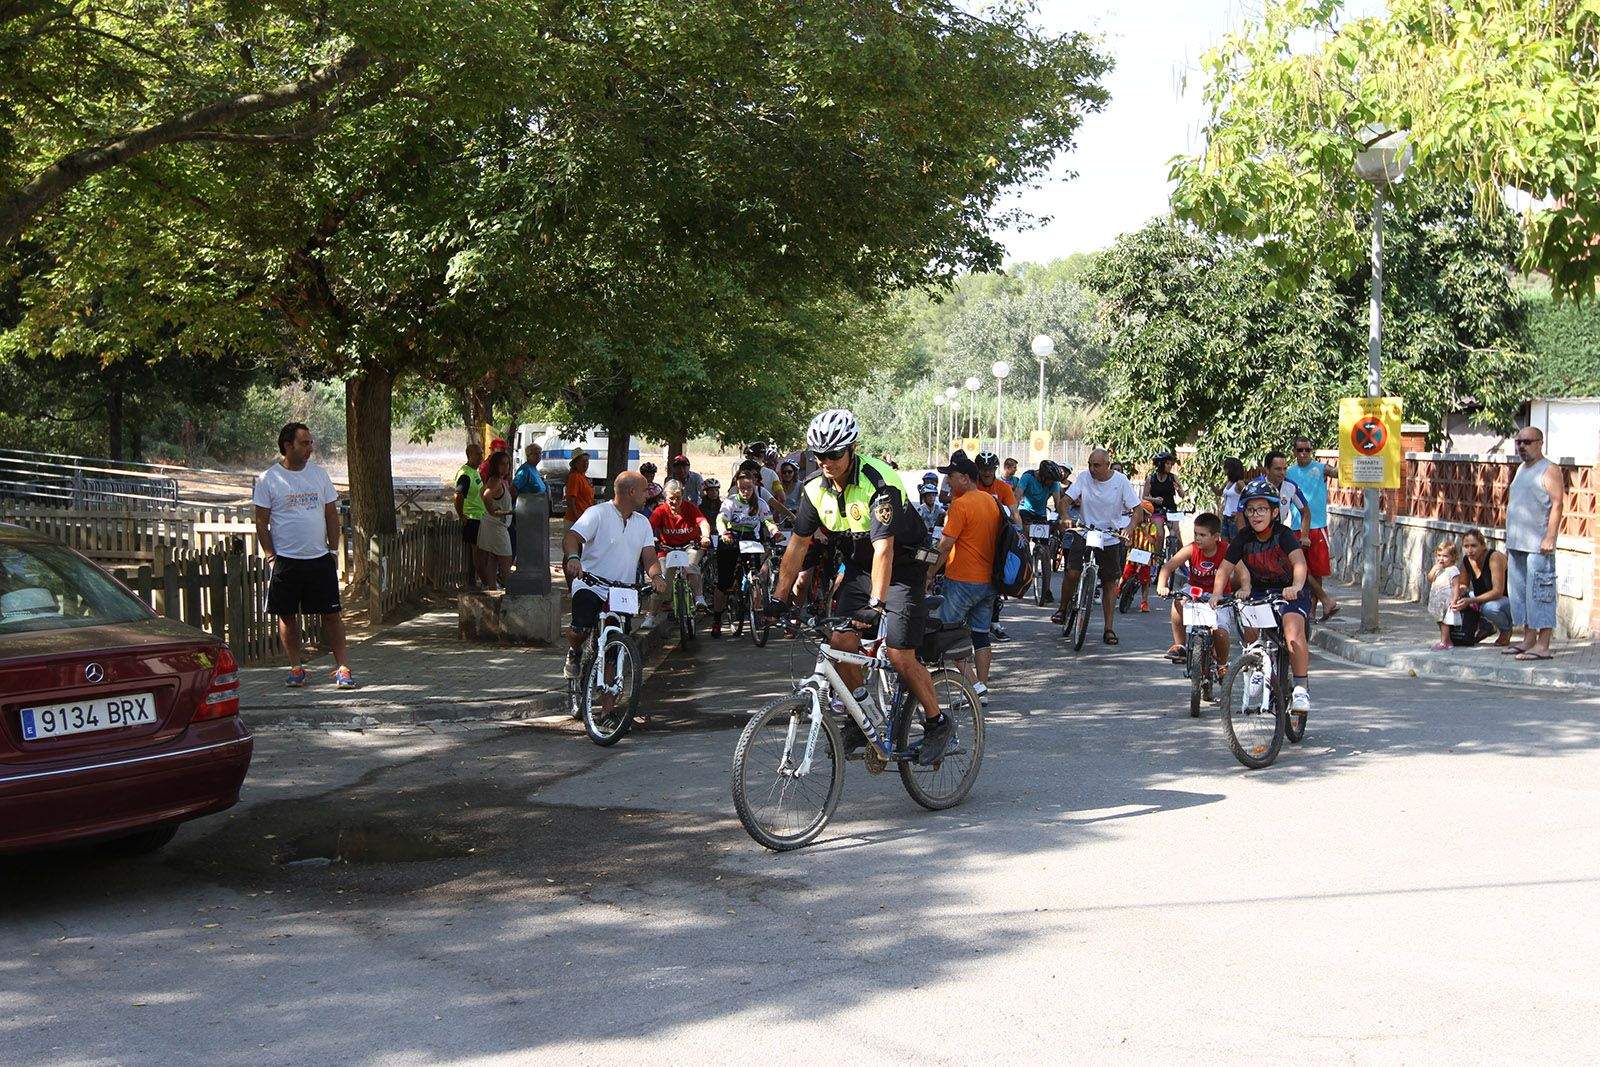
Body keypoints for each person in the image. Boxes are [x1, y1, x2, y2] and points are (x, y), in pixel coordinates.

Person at [767, 409, 953, 765]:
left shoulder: (878, 483)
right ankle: (863, 715)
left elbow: (885, 549)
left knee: (900, 654)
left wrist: (876, 604)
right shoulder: (814, 488)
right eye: (819, 455)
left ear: (852, 449)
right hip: (860, 563)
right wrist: (778, 598)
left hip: (903, 566)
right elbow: (797, 545)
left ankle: (936, 722)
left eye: (834, 454)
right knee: (839, 642)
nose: (826, 462)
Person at [254, 422, 353, 689]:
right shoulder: (268, 479)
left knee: (332, 615)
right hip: (286, 560)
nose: (310, 448)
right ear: (288, 445)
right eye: (304, 443)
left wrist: (333, 550)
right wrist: (271, 556)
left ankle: (343, 668)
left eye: (311, 443)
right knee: (287, 615)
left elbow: (331, 514)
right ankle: (296, 668)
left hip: (319, 558)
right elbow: (261, 522)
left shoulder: (319, 476)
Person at [561, 471, 667, 680]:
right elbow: (572, 537)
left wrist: (656, 577)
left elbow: (650, 558)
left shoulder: (643, 522)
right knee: (580, 630)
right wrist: (574, 557)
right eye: (645, 490)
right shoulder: (597, 513)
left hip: (622, 592)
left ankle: (607, 710)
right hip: (590, 584)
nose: (648, 494)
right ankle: (574, 651)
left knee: (614, 649)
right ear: (631, 491)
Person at [1226, 477, 1313, 715]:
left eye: (1262, 509)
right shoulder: (1243, 538)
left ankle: (1300, 689)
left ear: (1274, 512)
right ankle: (1255, 668)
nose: (1256, 515)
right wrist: (1216, 595)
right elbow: (1225, 568)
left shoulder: (1283, 534)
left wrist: (1295, 586)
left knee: (1292, 631)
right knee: (1249, 627)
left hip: (1289, 593)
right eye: (1251, 510)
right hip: (1259, 593)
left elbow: (1299, 563)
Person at [927, 450, 1002, 705]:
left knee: (947, 636)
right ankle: (980, 689)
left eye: (952, 477)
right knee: (981, 635)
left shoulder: (960, 505)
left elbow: (945, 545)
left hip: (962, 580)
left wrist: (929, 573)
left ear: (967, 478)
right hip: (989, 582)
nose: (948, 482)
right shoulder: (990, 501)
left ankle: (976, 687)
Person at [1052, 448, 1145, 644]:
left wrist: (1129, 527)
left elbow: (1137, 510)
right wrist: (1066, 516)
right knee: (1072, 572)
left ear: (1107, 465)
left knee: (1110, 582)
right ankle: (1062, 608)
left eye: (1096, 465)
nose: (1092, 469)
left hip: (1109, 536)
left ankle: (1109, 628)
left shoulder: (1120, 481)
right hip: (1085, 531)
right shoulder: (1084, 478)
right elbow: (1065, 501)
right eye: (1089, 464)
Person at [1504, 426, 1565, 661]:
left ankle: (1543, 644)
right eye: (1518, 441)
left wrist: (1551, 536)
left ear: (1540, 442)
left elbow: (1557, 503)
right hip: (1517, 542)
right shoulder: (1521, 468)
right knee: (1521, 595)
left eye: (1527, 442)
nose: (1521, 446)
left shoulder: (1549, 469)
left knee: (1540, 592)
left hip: (1539, 544)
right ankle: (1528, 640)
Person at [1156, 511, 1232, 668]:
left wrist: (1244, 588)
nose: (1197, 538)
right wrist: (1161, 585)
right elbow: (1167, 567)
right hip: (1195, 590)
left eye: (1203, 535)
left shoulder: (1227, 549)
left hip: (1219, 595)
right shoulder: (1192, 548)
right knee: (1177, 602)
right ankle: (1180, 646)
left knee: (1220, 632)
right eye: (1196, 534)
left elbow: (1243, 574)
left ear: (1216, 536)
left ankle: (1222, 665)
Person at [714, 469, 780, 636]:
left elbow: (768, 521)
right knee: (724, 582)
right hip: (731, 539)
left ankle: (756, 606)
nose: (745, 491)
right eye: (742, 488)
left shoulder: (761, 503)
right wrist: (724, 533)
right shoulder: (730, 503)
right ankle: (717, 620)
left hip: (751, 539)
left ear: (754, 487)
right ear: (737, 487)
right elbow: (721, 519)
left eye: (748, 488)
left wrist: (775, 532)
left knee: (756, 575)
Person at [1287, 437, 1339, 620]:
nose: (1303, 454)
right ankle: (1322, 602)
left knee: (1317, 571)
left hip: (1318, 526)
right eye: (1300, 450)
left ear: (1311, 451)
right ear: (1294, 451)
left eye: (1307, 450)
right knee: (1298, 568)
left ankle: (1313, 611)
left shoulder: (1320, 468)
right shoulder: (1288, 472)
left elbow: (1339, 473)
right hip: (1296, 526)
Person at [649, 478, 712, 620]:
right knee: (663, 581)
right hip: (667, 549)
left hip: (690, 545)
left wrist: (705, 536)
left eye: (678, 498)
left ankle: (699, 598)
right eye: (671, 499)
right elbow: (649, 527)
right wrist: (650, 540)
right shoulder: (660, 511)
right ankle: (651, 616)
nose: (675, 502)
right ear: (665, 497)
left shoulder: (690, 508)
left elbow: (703, 522)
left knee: (691, 566)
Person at [973, 451, 1019, 641]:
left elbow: (1015, 513)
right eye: (983, 469)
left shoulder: (1004, 488)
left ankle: (994, 623)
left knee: (996, 584)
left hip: (997, 541)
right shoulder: (970, 486)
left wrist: (1019, 532)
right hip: (973, 540)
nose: (987, 473)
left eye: (990, 469)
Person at [1015, 459, 1067, 604]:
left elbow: (1057, 504)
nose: (1051, 483)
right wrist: (1015, 516)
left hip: (1041, 515)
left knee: (1046, 552)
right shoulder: (1028, 477)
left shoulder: (1054, 483)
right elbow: (1017, 497)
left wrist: (1059, 519)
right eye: (1049, 480)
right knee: (1023, 541)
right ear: (1042, 476)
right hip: (1025, 512)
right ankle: (1021, 577)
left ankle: (1047, 588)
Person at [1452, 528, 1513, 646]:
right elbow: (1464, 585)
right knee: (1456, 599)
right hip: (1484, 598)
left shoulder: (1494, 557)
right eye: (1466, 546)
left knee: (1489, 608)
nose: (1470, 550)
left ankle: (1506, 630)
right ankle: (1485, 626)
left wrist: (1471, 600)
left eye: (1474, 546)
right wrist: (1457, 593)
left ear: (1483, 545)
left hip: (1508, 601)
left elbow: (1497, 592)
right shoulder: (1467, 560)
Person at [476, 450, 514, 590]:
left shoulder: (497, 480)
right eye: (502, 464)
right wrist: (495, 511)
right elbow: (486, 495)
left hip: (493, 525)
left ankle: (492, 588)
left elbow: (483, 492)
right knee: (505, 561)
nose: (506, 467)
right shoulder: (496, 481)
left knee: (492, 559)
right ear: (495, 466)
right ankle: (511, 592)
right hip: (497, 526)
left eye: (508, 464)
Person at [454, 440, 486, 589]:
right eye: (477, 454)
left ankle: (479, 579)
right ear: (469, 455)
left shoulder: (475, 471)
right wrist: (461, 515)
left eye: (481, 454)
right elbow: (458, 496)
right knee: (477, 553)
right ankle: (476, 581)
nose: (481, 457)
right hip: (472, 519)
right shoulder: (466, 474)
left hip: (480, 517)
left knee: (482, 551)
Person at [1425, 541, 1464, 650]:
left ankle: (1444, 642)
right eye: (1439, 555)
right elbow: (1430, 578)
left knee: (1445, 622)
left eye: (1445, 556)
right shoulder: (1438, 568)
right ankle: (1448, 641)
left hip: (1447, 600)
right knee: (1440, 621)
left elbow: (1456, 586)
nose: (1441, 559)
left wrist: (1455, 599)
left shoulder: (1453, 570)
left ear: (1453, 557)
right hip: (1437, 600)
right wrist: (1434, 569)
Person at [1144, 450, 1183, 548]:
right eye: (1167, 463)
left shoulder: (1173, 477)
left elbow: (1183, 495)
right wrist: (1155, 500)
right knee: (1160, 534)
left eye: (1171, 464)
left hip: (1171, 509)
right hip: (1157, 510)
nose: (1170, 466)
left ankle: (1182, 560)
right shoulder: (1151, 479)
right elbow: (1144, 497)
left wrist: (1178, 488)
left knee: (1176, 534)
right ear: (1160, 464)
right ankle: (1158, 559)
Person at [1218, 457, 1247, 540]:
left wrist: (1241, 512)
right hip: (1226, 516)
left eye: (1226, 467)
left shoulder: (1239, 483)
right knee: (1224, 542)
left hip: (1234, 518)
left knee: (1234, 543)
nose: (1224, 469)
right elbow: (1219, 493)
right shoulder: (1228, 482)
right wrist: (1210, 484)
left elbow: (1248, 498)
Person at [564, 449, 595, 523]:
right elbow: (570, 501)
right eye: (582, 461)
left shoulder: (584, 477)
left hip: (585, 519)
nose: (585, 463)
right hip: (575, 521)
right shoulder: (575, 477)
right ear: (575, 463)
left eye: (587, 461)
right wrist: (577, 519)